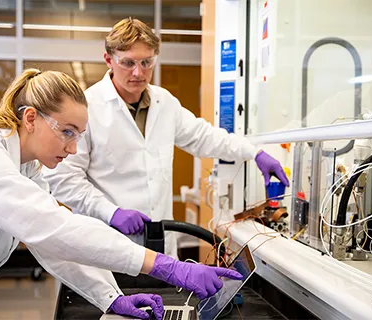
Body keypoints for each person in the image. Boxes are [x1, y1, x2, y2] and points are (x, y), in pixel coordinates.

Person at [0, 69, 242, 320]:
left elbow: (54, 244)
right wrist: (165, 266)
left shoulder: (29, 171)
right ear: (30, 118)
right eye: (66, 131)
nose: (73, 147)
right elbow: (50, 227)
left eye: (79, 135)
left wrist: (111, 296)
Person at [43, 17, 290, 256]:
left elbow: (205, 137)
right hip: (105, 241)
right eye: (128, 63)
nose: (139, 72)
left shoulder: (165, 102)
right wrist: (111, 212)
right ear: (109, 59)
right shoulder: (88, 107)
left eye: (147, 62)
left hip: (158, 242)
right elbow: (63, 178)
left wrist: (253, 153)